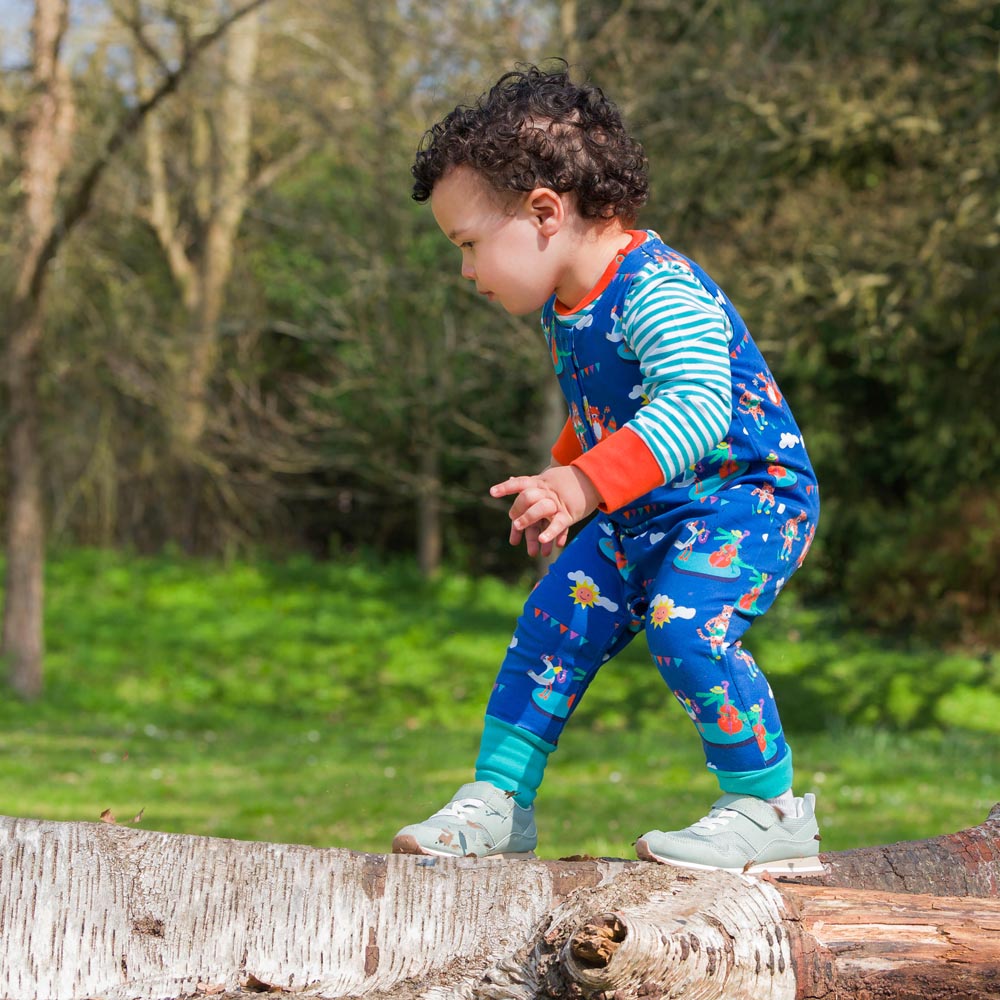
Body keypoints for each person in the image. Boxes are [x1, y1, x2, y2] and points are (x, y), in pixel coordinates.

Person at [391, 63, 822, 874]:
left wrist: (581, 485)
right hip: (645, 508)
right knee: (550, 626)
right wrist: (565, 477)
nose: (466, 270)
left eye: (470, 244)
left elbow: (696, 409)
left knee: (686, 624)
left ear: (544, 212)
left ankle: (769, 809)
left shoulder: (656, 288)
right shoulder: (572, 305)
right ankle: (500, 802)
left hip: (741, 501)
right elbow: (612, 416)